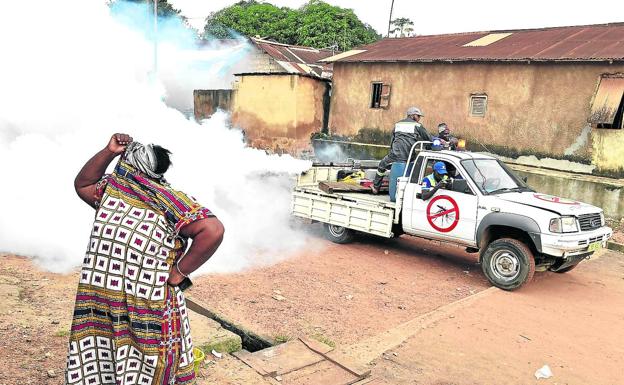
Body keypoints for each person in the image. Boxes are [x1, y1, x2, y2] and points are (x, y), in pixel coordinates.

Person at [66, 133, 225, 385]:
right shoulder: (112, 191)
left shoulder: (169, 199)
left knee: (147, 360)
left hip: (148, 302)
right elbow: (83, 184)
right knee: (106, 355)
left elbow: (212, 230)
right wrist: (109, 151)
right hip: (105, 299)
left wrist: (179, 273)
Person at [372, 106, 431, 194]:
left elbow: (392, 140)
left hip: (394, 154)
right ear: (412, 115)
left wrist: (392, 152)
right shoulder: (417, 125)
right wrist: (429, 147)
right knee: (418, 167)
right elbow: (428, 138)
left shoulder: (398, 124)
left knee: (382, 165)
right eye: (418, 116)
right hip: (409, 156)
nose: (419, 118)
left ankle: (376, 187)